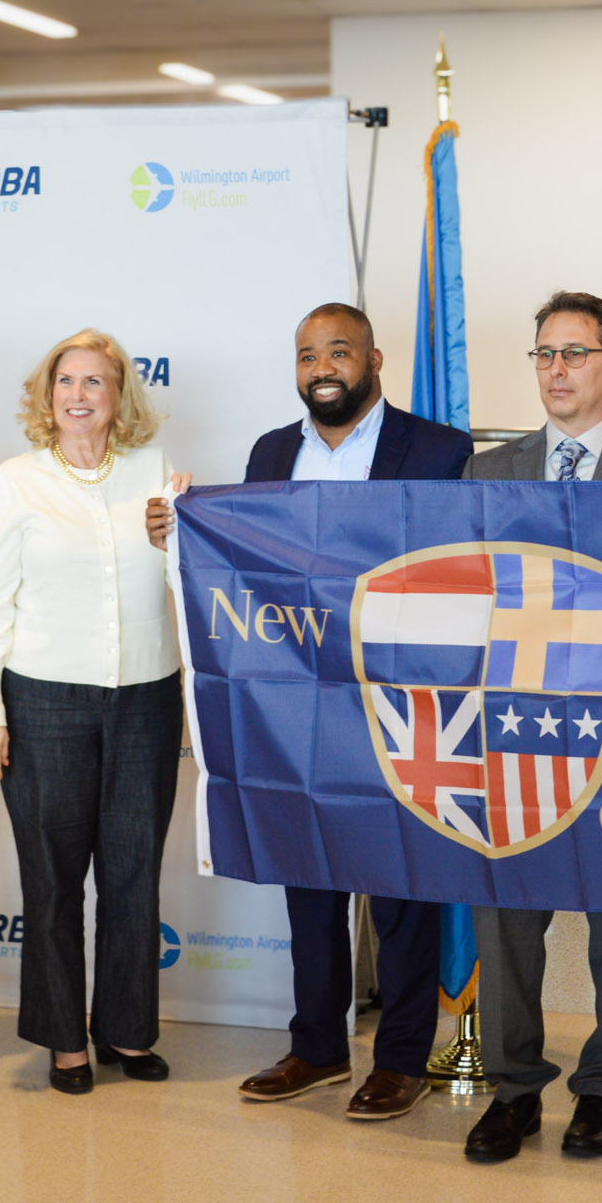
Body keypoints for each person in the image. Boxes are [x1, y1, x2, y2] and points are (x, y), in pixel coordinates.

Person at [152, 302, 470, 1120]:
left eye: (338, 351)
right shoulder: (270, 451)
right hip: (297, 700)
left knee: (403, 879)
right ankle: (318, 1046)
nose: (321, 367)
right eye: (306, 355)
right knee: (311, 876)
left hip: (403, 700)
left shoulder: (439, 449)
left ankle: (401, 1057)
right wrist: (181, 532)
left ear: (375, 359)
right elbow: (244, 559)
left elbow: (459, 570)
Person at [457, 291, 602, 1166]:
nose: (557, 370)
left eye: (575, 353)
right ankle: (513, 1087)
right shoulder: (488, 471)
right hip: (512, 723)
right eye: (544, 354)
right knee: (507, 912)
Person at [0, 329, 185, 1095]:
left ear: (119, 395)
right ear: (47, 393)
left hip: (147, 700)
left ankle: (126, 1029)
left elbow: (187, 585)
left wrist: (181, 536)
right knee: (54, 880)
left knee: (133, 874)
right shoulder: (17, 479)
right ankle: (65, 1039)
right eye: (67, 380)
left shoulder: (156, 473)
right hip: (43, 703)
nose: (80, 394)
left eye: (96, 380)